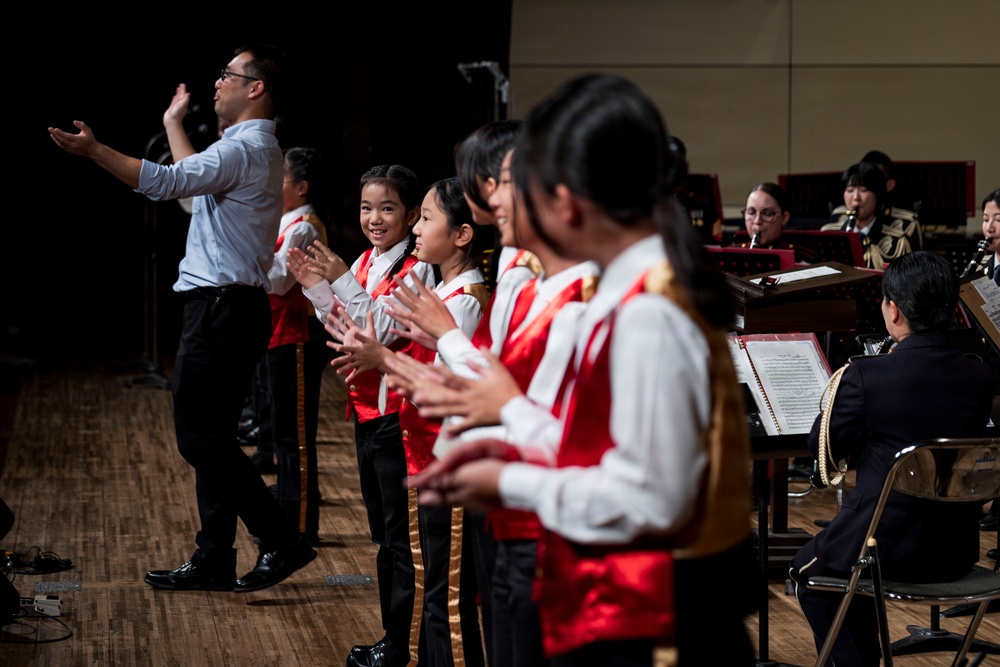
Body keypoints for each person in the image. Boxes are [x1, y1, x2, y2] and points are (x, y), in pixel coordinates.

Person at [407, 74, 757, 667]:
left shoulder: (649, 308)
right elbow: (596, 449)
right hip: (627, 611)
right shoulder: (628, 294)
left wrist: (509, 482)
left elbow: (653, 500)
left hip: (662, 627)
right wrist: (509, 433)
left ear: (567, 202)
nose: (502, 203)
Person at [48, 44, 316, 593]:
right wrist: (173, 123)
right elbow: (191, 191)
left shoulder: (244, 149)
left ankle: (280, 538)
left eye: (227, 75)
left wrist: (96, 151)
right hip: (230, 308)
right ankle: (214, 555)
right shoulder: (246, 149)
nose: (217, 83)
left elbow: (166, 183)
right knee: (212, 435)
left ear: (255, 88)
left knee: (199, 440)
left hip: (220, 309)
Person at [789, 251, 993, 667]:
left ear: (894, 310)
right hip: (954, 551)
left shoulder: (866, 376)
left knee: (809, 575)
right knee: (850, 577)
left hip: (881, 551)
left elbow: (822, 452)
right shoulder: (979, 376)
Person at [330, 177, 493, 667]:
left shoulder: (464, 297)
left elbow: (445, 388)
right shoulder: (439, 286)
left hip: (448, 457)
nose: (415, 229)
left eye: (424, 217)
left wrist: (382, 359)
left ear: (462, 234)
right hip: (421, 448)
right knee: (427, 574)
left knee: (447, 593)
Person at [289, 164, 434, 667]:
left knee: (400, 540)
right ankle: (392, 640)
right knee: (383, 537)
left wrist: (338, 279)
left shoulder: (416, 268)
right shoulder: (366, 261)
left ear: (413, 215)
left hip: (398, 417)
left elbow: (374, 332)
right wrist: (315, 287)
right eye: (367, 207)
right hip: (367, 415)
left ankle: (404, 646)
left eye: (388, 207)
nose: (374, 218)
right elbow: (343, 326)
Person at [266, 147, 332, 546]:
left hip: (297, 336)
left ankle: (302, 526)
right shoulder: (285, 221)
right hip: (278, 333)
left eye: (281, 178)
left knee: (296, 438)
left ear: (301, 187)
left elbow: (277, 281)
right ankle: (289, 519)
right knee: (283, 436)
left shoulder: (304, 226)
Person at [822, 161, 921, 270]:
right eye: (850, 190)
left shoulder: (897, 239)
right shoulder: (832, 230)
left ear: (877, 196)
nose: (855, 197)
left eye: (863, 190)